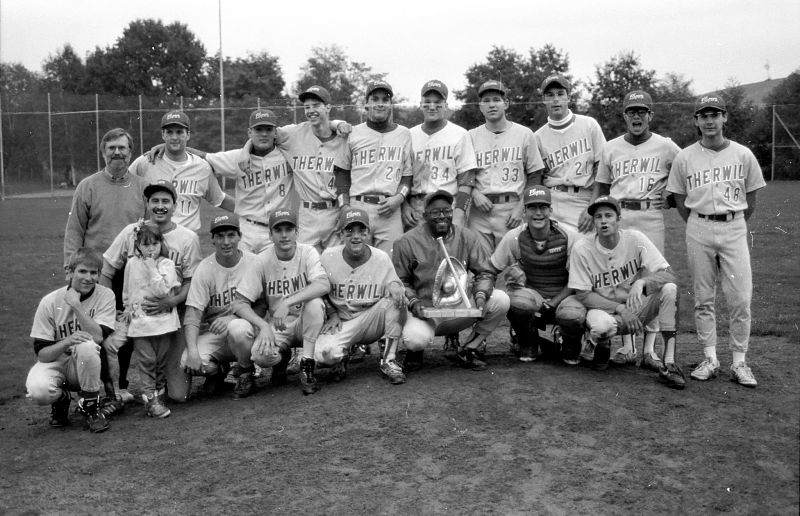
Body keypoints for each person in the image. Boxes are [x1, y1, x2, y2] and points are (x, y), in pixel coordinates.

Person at [666, 94, 766, 388]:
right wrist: (698, 223)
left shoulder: (743, 154)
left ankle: (739, 361)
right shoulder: (685, 157)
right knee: (703, 297)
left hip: (734, 225)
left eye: (715, 115)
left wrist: (733, 222)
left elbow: (751, 197)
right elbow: (680, 198)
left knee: (741, 298)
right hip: (698, 225)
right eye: (704, 116)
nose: (710, 121)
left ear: (725, 117)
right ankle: (710, 358)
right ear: (696, 121)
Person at [596, 90, 682, 369]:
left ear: (650, 116)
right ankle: (627, 347)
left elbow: (687, 171)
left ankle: (649, 350)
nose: (637, 116)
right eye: (631, 111)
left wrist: (671, 198)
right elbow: (602, 187)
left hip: (650, 215)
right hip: (620, 215)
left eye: (641, 111)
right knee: (621, 279)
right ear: (624, 116)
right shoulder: (611, 147)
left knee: (651, 279)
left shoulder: (666, 146)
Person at [568, 196, 685, 389]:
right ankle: (598, 342)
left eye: (608, 215)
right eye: (598, 217)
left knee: (670, 289)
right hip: (602, 310)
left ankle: (669, 364)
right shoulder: (582, 248)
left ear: (619, 219)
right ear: (593, 222)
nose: (603, 221)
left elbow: (669, 274)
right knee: (602, 326)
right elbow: (582, 294)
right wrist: (621, 309)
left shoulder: (635, 239)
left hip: (636, 309)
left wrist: (643, 282)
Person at [101, 180, 201, 403]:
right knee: (112, 343)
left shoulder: (188, 238)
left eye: (166, 201)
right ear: (147, 204)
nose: (160, 206)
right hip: (136, 312)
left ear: (175, 205)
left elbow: (191, 282)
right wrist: (110, 311)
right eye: (155, 201)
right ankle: (116, 390)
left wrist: (171, 302)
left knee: (178, 394)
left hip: (171, 313)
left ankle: (162, 386)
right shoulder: (131, 232)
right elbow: (107, 271)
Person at [392, 190, 510, 372]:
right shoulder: (406, 242)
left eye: (447, 211)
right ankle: (415, 352)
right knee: (415, 340)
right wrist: (414, 302)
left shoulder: (467, 236)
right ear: (424, 215)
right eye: (435, 212)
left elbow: (485, 272)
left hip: (459, 308)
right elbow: (400, 281)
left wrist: (481, 294)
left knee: (500, 300)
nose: (442, 216)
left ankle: (469, 348)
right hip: (425, 312)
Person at [232, 209, 329, 395]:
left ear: (297, 232)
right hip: (280, 325)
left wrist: (287, 303)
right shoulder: (262, 260)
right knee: (260, 356)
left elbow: (323, 284)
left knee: (315, 304)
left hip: (307, 321)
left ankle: (307, 365)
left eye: (289, 229)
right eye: (278, 230)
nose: (284, 235)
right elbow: (239, 303)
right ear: (270, 235)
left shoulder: (307, 252)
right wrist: (263, 326)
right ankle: (283, 356)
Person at [489, 186, 585, 364]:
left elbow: (578, 280)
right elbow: (492, 268)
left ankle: (571, 345)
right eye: (532, 207)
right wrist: (486, 294)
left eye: (543, 207)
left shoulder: (570, 236)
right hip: (533, 295)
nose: (538, 213)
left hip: (565, 296)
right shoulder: (514, 237)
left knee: (572, 315)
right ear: (524, 211)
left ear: (551, 210)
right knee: (517, 303)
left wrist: (553, 303)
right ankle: (527, 342)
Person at [25, 248, 116, 432]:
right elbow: (42, 354)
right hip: (57, 362)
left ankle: (91, 408)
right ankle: (61, 399)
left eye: (94, 273)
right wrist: (67, 341)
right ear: (70, 272)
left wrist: (76, 305)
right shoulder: (50, 301)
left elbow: (98, 337)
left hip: (85, 365)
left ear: (99, 275)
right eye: (82, 271)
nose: (88, 278)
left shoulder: (106, 295)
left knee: (86, 345)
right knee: (38, 391)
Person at [315, 207, 407, 385]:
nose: (355, 236)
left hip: (371, 319)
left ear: (368, 233)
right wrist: (332, 313)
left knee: (396, 302)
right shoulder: (328, 256)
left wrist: (396, 287)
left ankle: (389, 359)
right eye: (349, 230)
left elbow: (393, 282)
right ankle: (342, 355)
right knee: (323, 355)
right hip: (342, 322)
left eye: (361, 230)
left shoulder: (381, 258)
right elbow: (318, 288)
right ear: (341, 234)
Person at [185, 109, 294, 253]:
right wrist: (168, 147)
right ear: (250, 132)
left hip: (277, 229)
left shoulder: (288, 154)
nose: (264, 134)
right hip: (246, 230)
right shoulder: (237, 158)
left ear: (276, 132)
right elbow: (203, 157)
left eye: (268, 129)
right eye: (258, 129)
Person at [181, 214, 259, 399]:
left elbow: (264, 304)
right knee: (186, 361)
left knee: (238, 328)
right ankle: (219, 371)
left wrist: (234, 317)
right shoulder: (205, 268)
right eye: (220, 236)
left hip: (248, 331)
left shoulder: (254, 262)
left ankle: (246, 372)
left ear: (240, 236)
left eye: (231, 235)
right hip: (216, 334)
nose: (226, 242)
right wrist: (192, 351)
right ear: (213, 239)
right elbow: (193, 313)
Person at [333, 80, 414, 253]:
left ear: (391, 105)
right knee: (357, 260)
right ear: (366, 104)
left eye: (385, 99)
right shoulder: (352, 133)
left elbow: (407, 176)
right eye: (375, 99)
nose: (380, 104)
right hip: (358, 205)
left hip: (390, 209)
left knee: (391, 262)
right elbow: (341, 174)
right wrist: (344, 206)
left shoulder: (404, 134)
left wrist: (399, 197)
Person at [468, 80, 545, 251]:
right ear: (480, 106)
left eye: (496, 100)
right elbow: (463, 174)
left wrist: (521, 207)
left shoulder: (524, 134)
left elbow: (535, 175)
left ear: (506, 104)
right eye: (486, 101)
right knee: (480, 264)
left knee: (512, 262)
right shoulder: (471, 136)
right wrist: (474, 193)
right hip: (479, 211)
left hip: (512, 209)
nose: (491, 105)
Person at [129, 110, 234, 233]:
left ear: (188, 135)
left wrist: (251, 210)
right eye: (169, 132)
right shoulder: (146, 163)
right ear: (163, 135)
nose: (174, 137)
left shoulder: (202, 167)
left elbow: (220, 199)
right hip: (154, 239)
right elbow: (123, 185)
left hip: (187, 241)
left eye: (179, 132)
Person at [64, 128, 147, 277]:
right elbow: (75, 230)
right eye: (111, 148)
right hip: (95, 270)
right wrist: (70, 268)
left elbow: (151, 231)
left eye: (122, 148)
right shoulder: (87, 186)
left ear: (130, 152)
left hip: (133, 271)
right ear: (103, 153)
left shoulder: (144, 187)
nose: (117, 152)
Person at [278, 85, 351, 251]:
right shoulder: (294, 134)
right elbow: (264, 134)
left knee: (336, 262)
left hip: (335, 212)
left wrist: (337, 124)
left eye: (316, 105)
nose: (311, 111)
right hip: (307, 215)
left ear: (328, 107)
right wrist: (246, 150)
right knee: (305, 263)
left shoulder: (344, 138)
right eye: (306, 107)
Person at [122, 223, 181, 417]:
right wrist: (127, 308)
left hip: (163, 323)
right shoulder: (132, 264)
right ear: (138, 245)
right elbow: (128, 290)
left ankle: (159, 394)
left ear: (161, 244)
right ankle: (150, 398)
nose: (151, 249)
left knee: (160, 362)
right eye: (146, 245)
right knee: (147, 360)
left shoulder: (167, 264)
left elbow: (162, 291)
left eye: (155, 244)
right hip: (140, 323)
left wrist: (152, 268)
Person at [535, 74, 606, 233]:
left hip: (583, 200)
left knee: (584, 247)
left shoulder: (589, 125)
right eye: (550, 95)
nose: (555, 100)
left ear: (569, 97)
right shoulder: (537, 137)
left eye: (560, 94)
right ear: (543, 100)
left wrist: (592, 207)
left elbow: (602, 170)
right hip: (552, 201)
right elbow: (537, 178)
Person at [406, 79, 478, 230]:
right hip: (416, 206)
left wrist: (459, 214)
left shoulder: (459, 134)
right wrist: (405, 206)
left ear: (446, 105)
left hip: (447, 205)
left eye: (438, 102)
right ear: (421, 104)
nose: (432, 106)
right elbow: (403, 177)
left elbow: (466, 181)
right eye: (427, 102)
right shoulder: (409, 135)